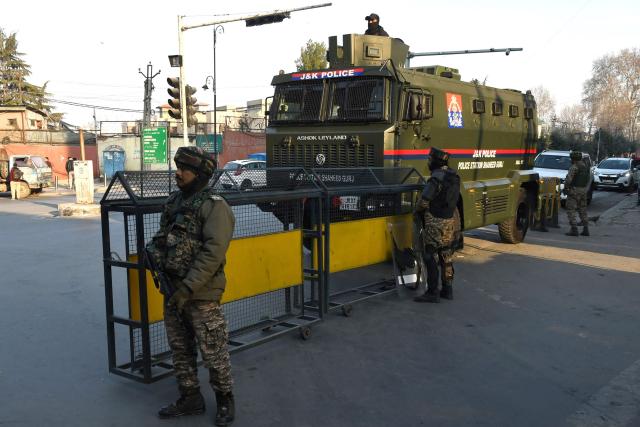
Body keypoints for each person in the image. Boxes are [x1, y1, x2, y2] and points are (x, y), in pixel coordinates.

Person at [146, 146, 236, 426]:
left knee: (213, 350)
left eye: (184, 169)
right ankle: (190, 398)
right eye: (178, 167)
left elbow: (213, 253)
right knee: (180, 349)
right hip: (173, 290)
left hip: (201, 294)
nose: (178, 173)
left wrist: (188, 288)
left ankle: (225, 400)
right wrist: (153, 251)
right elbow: (163, 236)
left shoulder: (215, 206)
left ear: (200, 174)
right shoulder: (174, 202)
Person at [414, 147, 460, 303]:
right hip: (449, 221)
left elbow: (424, 200)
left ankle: (432, 292)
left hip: (434, 221)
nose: (428, 162)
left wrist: (417, 212)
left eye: (429, 159)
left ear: (435, 161)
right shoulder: (454, 175)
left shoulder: (436, 178)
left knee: (429, 256)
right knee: (446, 256)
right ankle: (448, 290)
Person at [564, 150, 590, 236]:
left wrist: (566, 188)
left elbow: (568, 180)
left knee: (571, 209)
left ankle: (574, 229)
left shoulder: (574, 167)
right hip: (583, 190)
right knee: (583, 209)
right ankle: (586, 229)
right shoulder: (586, 167)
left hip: (574, 190)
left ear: (573, 159)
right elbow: (588, 179)